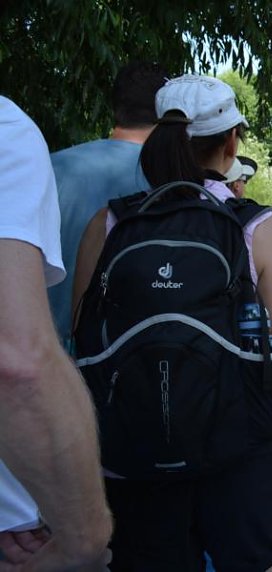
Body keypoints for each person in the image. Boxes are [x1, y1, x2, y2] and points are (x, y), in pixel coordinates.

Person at [71, 75, 272, 570]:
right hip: (242, 457)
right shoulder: (259, 229)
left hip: (132, 460)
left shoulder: (108, 224)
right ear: (231, 143)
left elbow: (78, 353)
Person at [0, 97, 112, 569]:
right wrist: (85, 535)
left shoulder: (61, 163)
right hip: (43, 475)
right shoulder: (9, 132)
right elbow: (18, 359)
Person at [47, 61, 168, 351]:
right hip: (126, 367)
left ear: (115, 107)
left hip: (42, 361)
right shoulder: (168, 182)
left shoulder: (49, 166)